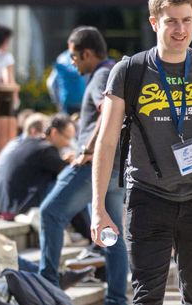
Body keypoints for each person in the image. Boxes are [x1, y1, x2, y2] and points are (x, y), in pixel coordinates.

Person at [88, 0, 192, 303]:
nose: (181, 30)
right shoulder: (130, 71)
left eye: (187, 21)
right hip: (147, 197)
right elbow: (107, 141)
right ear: (154, 23)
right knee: (146, 296)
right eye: (171, 21)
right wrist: (98, 209)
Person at [35, 26, 129, 304]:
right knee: (111, 236)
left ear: (87, 53)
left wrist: (87, 148)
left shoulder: (101, 74)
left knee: (49, 213)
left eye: (74, 57)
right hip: (114, 166)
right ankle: (116, 299)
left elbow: (109, 111)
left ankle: (47, 289)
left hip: (95, 164)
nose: (72, 62)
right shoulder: (112, 72)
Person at [0, 114, 75, 219]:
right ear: (54, 133)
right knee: (71, 181)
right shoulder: (46, 150)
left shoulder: (27, 143)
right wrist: (72, 161)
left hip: (0, 206)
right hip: (18, 210)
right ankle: (88, 231)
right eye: (67, 138)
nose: (69, 144)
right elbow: (67, 171)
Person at [46, 50, 88, 114]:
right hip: (83, 101)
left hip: (67, 102)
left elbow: (50, 83)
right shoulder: (85, 55)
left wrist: (57, 102)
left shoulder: (62, 58)